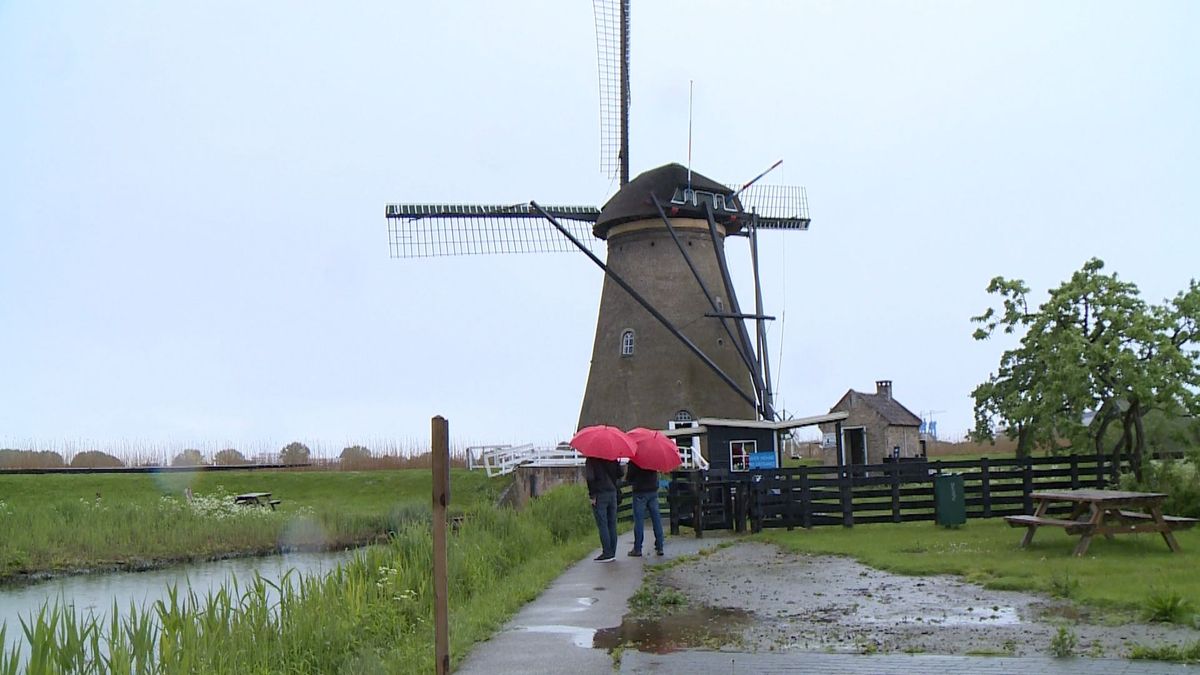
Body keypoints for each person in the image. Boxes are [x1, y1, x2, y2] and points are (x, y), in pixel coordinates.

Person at [585, 456, 623, 562]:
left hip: (600, 494)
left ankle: (607, 552)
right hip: (612, 493)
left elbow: (590, 478)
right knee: (612, 523)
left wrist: (592, 496)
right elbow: (620, 474)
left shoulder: (591, 459)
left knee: (603, 524)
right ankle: (612, 552)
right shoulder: (611, 456)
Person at [625, 462, 664, 557]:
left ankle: (638, 548)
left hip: (639, 492)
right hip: (652, 491)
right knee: (656, 519)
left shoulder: (635, 460)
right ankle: (660, 546)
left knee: (639, 521)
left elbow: (629, 478)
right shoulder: (653, 457)